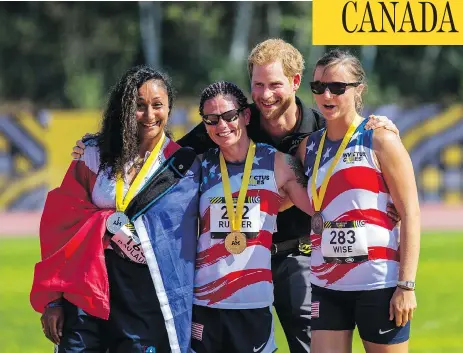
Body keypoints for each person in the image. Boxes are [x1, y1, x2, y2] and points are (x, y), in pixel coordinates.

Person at [71, 39, 400, 353]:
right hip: (230, 267)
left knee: (309, 344)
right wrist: (102, 141)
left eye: (274, 85)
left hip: (294, 255)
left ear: (295, 81)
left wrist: (380, 129)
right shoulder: (233, 117)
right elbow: (165, 150)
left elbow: (347, 158)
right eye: (258, 85)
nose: (265, 95)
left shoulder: (318, 129)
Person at [31, 66, 201, 353]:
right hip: (88, 285)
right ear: (125, 108)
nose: (149, 116)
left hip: (145, 293)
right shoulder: (95, 155)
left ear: (169, 108)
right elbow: (60, 224)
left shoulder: (183, 165)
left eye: (157, 106)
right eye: (139, 106)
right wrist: (54, 299)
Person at [295, 49, 420, 353]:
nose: (327, 94)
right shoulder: (307, 148)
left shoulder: (380, 139)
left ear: (359, 90)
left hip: (378, 285)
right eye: (318, 87)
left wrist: (406, 286)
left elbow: (411, 214)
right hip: (327, 285)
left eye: (338, 87)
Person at [192, 81, 314, 353]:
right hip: (205, 303)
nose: (221, 126)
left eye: (229, 116)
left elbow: (320, 209)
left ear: (246, 116)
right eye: (211, 120)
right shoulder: (198, 166)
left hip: (253, 303)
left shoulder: (280, 163)